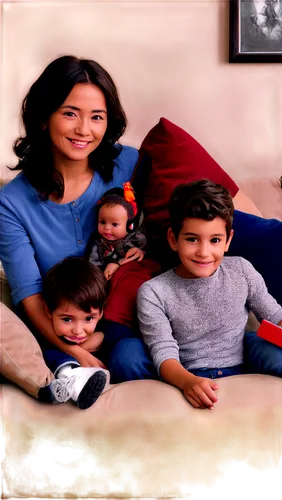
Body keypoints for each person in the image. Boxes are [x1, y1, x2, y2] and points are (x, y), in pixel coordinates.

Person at [0, 54, 156, 398]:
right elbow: (29, 293)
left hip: (128, 324)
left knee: (130, 358)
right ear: (43, 118)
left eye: (96, 117)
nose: (84, 130)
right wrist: (77, 351)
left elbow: (198, 200)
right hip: (60, 332)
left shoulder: (128, 164)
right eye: (70, 113)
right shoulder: (11, 203)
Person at [137, 180, 282, 410]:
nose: (204, 252)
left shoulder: (241, 270)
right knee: (127, 357)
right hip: (190, 372)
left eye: (215, 240)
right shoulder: (154, 292)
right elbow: (162, 350)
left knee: (276, 349)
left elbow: (276, 315)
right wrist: (188, 382)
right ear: (173, 239)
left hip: (243, 361)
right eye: (192, 239)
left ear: (228, 240)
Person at [40, 256, 110, 409]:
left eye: (88, 319)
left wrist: (102, 337)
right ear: (48, 310)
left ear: (101, 312)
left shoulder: (105, 330)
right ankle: (73, 380)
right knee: (49, 353)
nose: (78, 331)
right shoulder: (45, 339)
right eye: (67, 320)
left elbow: (122, 335)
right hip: (58, 370)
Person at [88, 182, 146, 280]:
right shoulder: (98, 243)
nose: (107, 228)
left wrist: (141, 252)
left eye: (114, 224)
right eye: (102, 222)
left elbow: (144, 256)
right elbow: (93, 265)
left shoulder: (136, 239)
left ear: (130, 226)